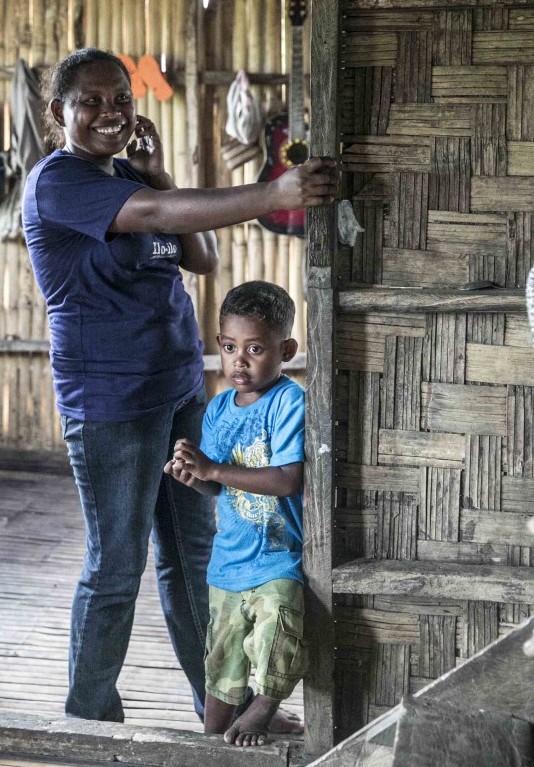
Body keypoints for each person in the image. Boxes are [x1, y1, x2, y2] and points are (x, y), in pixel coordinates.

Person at [22, 47, 337, 725]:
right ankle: (88, 717)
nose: (111, 113)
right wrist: (272, 193)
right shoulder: (59, 184)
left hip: (175, 391)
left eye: (121, 100)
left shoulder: (130, 177)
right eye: (92, 102)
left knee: (193, 553)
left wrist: (159, 172)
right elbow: (163, 219)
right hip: (111, 406)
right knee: (117, 564)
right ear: (58, 113)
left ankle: (215, 705)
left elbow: (199, 254)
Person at [165, 281, 307, 747]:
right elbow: (216, 483)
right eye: (229, 348)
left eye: (255, 349)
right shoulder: (218, 408)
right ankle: (210, 742)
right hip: (228, 562)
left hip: (276, 556)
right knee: (221, 658)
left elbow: (287, 477)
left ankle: (263, 710)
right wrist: (195, 475)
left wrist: (213, 467)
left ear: (285, 349)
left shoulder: (289, 401)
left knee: (276, 629)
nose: (239, 361)